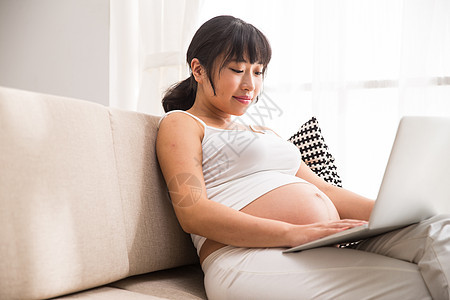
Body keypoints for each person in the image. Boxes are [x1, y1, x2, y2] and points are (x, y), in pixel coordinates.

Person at [156, 15, 450, 299]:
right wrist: (293, 233)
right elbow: (192, 212)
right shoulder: (183, 123)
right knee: (417, 285)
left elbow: (324, 190)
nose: (250, 85)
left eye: (258, 72)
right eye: (237, 69)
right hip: (244, 256)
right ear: (198, 69)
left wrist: (395, 214)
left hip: (317, 243)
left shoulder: (263, 130)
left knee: (439, 229)